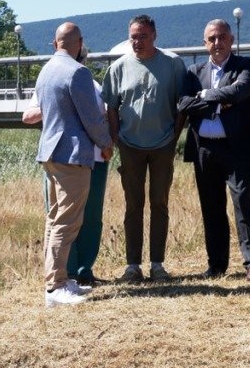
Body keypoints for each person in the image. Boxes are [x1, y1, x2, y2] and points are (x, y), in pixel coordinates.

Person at [177, 19, 250, 281]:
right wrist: (219, 103)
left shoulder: (246, 65)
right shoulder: (193, 71)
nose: (217, 43)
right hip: (204, 149)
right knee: (211, 206)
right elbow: (184, 103)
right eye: (211, 39)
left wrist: (204, 96)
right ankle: (216, 264)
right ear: (204, 43)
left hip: (236, 148)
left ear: (231, 40)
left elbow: (240, 91)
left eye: (222, 37)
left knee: (242, 200)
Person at [101, 15, 187, 283]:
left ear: (154, 36)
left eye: (143, 36)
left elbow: (182, 104)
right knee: (133, 205)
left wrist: (174, 138)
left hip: (163, 145)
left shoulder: (173, 65)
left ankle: (158, 264)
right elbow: (111, 107)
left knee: (159, 204)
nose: (137, 42)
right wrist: (115, 137)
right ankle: (132, 265)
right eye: (134, 37)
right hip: (130, 145)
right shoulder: (118, 68)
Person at [34, 22, 113, 307]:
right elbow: (91, 117)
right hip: (72, 155)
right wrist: (105, 142)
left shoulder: (46, 70)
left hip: (50, 153)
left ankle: (59, 279)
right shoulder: (77, 72)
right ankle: (55, 287)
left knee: (54, 219)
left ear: (56, 43)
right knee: (67, 221)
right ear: (79, 42)